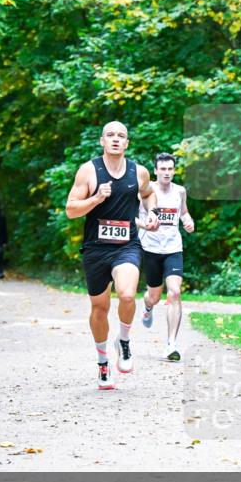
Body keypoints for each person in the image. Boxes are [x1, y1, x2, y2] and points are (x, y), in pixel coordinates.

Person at [66, 121, 159, 390]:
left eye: (121, 136)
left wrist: (151, 212)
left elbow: (149, 193)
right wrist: (95, 199)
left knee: (127, 294)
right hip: (96, 248)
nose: (116, 139)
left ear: (127, 143)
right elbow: (71, 210)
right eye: (110, 135)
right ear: (102, 141)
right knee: (100, 308)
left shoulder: (138, 172)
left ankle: (125, 340)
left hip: (126, 246)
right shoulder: (89, 171)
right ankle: (103, 362)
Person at [137, 153, 194, 361]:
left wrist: (189, 222)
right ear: (156, 171)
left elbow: (184, 213)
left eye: (170, 169)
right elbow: (131, 217)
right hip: (151, 249)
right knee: (153, 296)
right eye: (163, 169)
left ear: (174, 170)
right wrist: (145, 225)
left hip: (173, 249)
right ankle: (148, 306)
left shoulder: (180, 191)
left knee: (175, 292)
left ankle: (171, 345)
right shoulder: (145, 191)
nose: (167, 173)